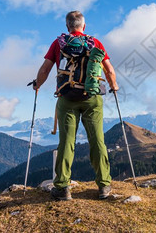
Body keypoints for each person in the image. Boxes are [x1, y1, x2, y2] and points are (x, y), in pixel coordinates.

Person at [33, 11, 119, 201]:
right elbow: (109, 70)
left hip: (67, 98)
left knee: (67, 142)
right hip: (92, 99)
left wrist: (37, 84)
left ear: (67, 27)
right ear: (84, 27)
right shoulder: (95, 43)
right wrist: (114, 86)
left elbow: (45, 69)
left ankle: (63, 187)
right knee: (97, 140)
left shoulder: (59, 44)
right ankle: (104, 185)